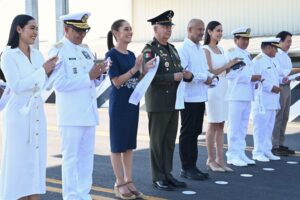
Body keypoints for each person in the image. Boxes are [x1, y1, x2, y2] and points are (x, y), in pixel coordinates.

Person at [49, 12, 107, 200]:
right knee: (71, 159)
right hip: (71, 115)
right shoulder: (57, 50)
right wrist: (88, 76)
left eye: (84, 31)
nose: (82, 35)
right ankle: (71, 196)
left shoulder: (85, 50)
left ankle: (84, 194)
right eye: (77, 31)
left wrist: (100, 74)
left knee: (86, 159)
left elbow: (93, 82)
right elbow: (59, 84)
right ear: (66, 29)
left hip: (88, 113)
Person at [0, 14, 58, 200]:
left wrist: (53, 72)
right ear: (19, 29)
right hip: (18, 115)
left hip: (37, 112)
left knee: (35, 161)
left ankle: (33, 196)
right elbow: (17, 86)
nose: (36, 32)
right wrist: (43, 71)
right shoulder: (9, 55)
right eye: (32, 28)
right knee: (17, 164)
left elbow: (43, 85)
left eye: (37, 29)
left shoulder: (38, 54)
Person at [142, 10, 193, 191]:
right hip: (158, 102)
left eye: (169, 27)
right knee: (157, 141)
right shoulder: (150, 49)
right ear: (155, 29)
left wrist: (186, 75)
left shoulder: (172, 49)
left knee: (170, 141)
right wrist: (173, 77)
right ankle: (158, 177)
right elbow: (150, 77)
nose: (168, 30)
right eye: (164, 27)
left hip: (174, 101)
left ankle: (168, 174)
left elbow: (178, 71)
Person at [105, 19, 155, 199]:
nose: (130, 32)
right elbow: (117, 81)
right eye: (126, 29)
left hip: (132, 103)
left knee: (128, 144)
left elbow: (136, 80)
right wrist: (135, 69)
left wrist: (145, 70)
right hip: (119, 104)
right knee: (118, 144)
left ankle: (129, 179)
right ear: (116, 33)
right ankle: (119, 182)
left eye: (131, 29)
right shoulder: (111, 55)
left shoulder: (132, 54)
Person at [177, 19, 212, 180]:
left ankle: (193, 166)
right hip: (188, 98)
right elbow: (184, 73)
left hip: (200, 97)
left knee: (196, 133)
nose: (202, 32)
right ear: (189, 29)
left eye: (203, 30)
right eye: (199, 29)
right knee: (188, 133)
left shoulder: (199, 49)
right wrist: (203, 77)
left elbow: (202, 71)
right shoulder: (184, 48)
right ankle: (187, 167)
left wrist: (210, 78)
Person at [203, 21, 239, 172]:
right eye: (217, 30)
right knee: (212, 123)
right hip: (213, 89)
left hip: (224, 87)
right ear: (209, 32)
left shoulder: (221, 49)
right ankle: (210, 159)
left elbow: (225, 71)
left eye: (221, 31)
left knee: (221, 124)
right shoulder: (205, 49)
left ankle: (220, 159)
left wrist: (233, 67)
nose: (220, 33)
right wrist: (228, 65)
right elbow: (210, 71)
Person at [225, 27, 261, 167]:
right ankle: (232, 155)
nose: (246, 41)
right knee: (234, 126)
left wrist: (255, 81)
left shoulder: (246, 54)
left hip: (247, 94)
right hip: (235, 94)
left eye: (247, 39)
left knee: (243, 126)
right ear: (235, 40)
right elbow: (230, 74)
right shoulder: (231, 54)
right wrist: (250, 78)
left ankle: (240, 153)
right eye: (243, 39)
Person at [252, 38, 282, 162]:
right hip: (262, 100)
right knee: (260, 127)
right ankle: (257, 152)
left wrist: (283, 80)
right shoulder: (257, 61)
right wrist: (270, 88)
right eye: (275, 49)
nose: (276, 51)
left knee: (269, 126)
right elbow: (256, 80)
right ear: (269, 48)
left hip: (273, 100)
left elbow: (276, 77)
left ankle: (266, 150)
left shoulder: (272, 61)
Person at [272, 31, 296, 156]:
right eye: (288, 41)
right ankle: (274, 145)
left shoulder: (286, 56)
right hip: (279, 87)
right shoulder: (276, 54)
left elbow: (288, 73)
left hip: (287, 86)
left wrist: (295, 76)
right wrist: (294, 72)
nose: (289, 44)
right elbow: (280, 72)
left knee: (285, 116)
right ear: (280, 41)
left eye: (291, 42)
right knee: (278, 117)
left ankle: (280, 143)